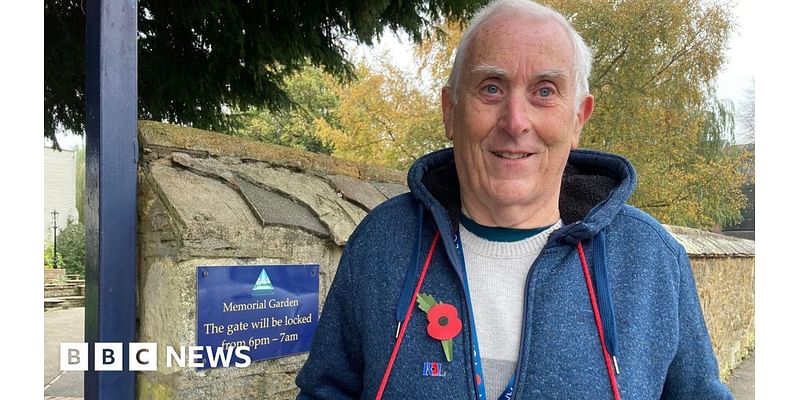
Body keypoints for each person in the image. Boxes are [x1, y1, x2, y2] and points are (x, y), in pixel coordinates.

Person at [296, 0, 733, 398]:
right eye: (491, 88)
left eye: (544, 91)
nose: (515, 121)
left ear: (578, 118)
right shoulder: (381, 245)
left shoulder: (648, 261)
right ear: (451, 111)